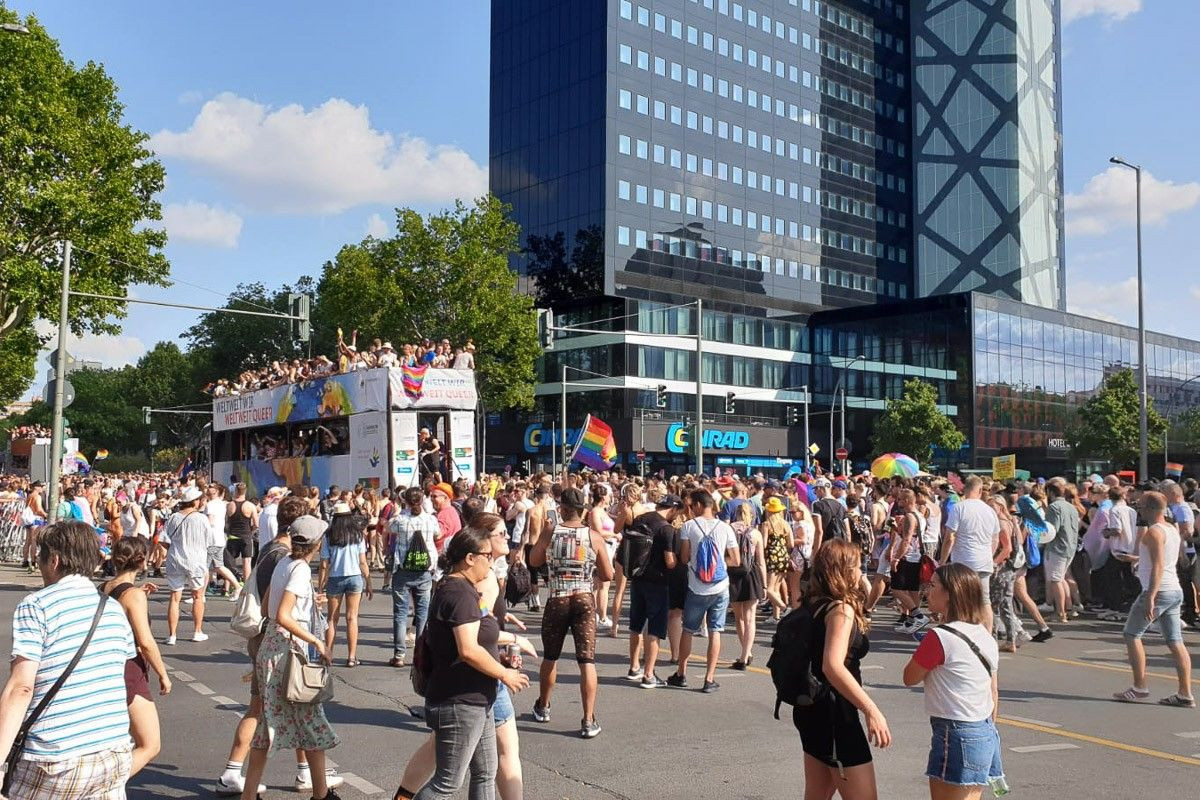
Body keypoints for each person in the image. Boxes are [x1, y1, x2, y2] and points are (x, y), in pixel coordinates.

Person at [391, 515, 537, 800]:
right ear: (470, 558)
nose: (490, 561)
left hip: (476, 697)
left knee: (485, 772)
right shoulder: (458, 592)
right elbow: (468, 649)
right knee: (447, 782)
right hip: (459, 700)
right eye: (486, 556)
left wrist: (503, 648)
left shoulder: (465, 588)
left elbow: (481, 632)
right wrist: (504, 673)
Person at [0, 521, 137, 799]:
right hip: (113, 749)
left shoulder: (37, 605)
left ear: (54, 560)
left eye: (40, 555)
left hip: (55, 756)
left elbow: (21, 688)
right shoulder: (112, 608)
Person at [240, 516, 341, 800]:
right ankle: (321, 794)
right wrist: (316, 641)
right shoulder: (300, 569)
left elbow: (267, 609)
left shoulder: (283, 562)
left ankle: (250, 794)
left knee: (268, 724)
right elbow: (285, 615)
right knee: (310, 718)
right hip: (288, 651)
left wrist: (304, 604)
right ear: (316, 544)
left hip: (270, 647)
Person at [792, 539, 891, 800]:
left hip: (812, 708)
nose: (860, 572)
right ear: (844, 571)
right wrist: (871, 710)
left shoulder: (813, 602)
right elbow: (832, 666)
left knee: (817, 794)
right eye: (857, 566)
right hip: (835, 712)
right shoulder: (840, 610)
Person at [903, 564, 1004, 799]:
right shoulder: (984, 635)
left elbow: (909, 677)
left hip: (954, 731)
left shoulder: (940, 636)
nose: (927, 591)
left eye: (933, 585)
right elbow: (993, 691)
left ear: (950, 593)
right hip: (984, 729)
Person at [529, 488, 614, 737]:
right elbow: (608, 574)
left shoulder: (551, 531)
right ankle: (588, 718)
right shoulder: (593, 536)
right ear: (582, 511)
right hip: (584, 598)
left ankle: (543, 706)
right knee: (587, 660)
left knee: (550, 656)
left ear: (562, 509)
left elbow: (534, 560)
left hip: (558, 597)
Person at [1112, 490, 1195, 707]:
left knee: (1131, 633)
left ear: (1150, 509)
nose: (1139, 510)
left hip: (1159, 590)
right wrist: (1137, 559)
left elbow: (1158, 566)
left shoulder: (1153, 533)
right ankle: (1185, 693)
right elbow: (1164, 560)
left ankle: (1139, 687)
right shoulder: (1171, 529)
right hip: (1173, 589)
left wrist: (1150, 595)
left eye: (1140, 506)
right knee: (1175, 640)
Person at [101, 537, 171, 776]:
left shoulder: (104, 587)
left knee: (115, 738)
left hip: (107, 665)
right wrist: (163, 674)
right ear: (142, 561)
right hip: (129, 669)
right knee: (149, 744)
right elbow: (146, 641)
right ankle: (107, 785)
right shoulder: (133, 596)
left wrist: (139, 595)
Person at [667, 489, 741, 693]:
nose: (690, 509)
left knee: (688, 629)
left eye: (692, 506)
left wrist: (698, 563)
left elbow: (684, 558)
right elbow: (736, 560)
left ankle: (681, 673)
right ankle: (709, 678)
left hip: (697, 587)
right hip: (720, 586)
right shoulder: (725, 528)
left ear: (699, 505)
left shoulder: (689, 526)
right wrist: (718, 564)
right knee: (716, 630)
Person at [623, 494, 682, 687]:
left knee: (636, 625)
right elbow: (669, 561)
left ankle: (634, 667)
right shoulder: (666, 529)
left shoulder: (641, 518)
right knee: (655, 628)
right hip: (657, 582)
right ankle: (649, 674)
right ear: (673, 509)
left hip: (637, 577)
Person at [388, 487, 440, 668]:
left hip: (403, 570)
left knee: (400, 613)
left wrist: (399, 510)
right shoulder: (430, 519)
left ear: (406, 502)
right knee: (422, 613)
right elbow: (438, 534)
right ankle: (420, 654)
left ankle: (399, 654)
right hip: (424, 570)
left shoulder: (401, 520)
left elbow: (388, 527)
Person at [940, 476, 999, 632]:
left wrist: (942, 561)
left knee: (959, 598)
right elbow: (995, 539)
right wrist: (989, 555)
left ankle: (960, 632)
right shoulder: (990, 511)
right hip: (983, 561)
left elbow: (949, 537)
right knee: (984, 600)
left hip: (963, 561)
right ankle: (987, 635)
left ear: (965, 489)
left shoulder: (959, 508)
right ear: (980, 490)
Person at [319, 504, 373, 667]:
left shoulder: (329, 535)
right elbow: (362, 562)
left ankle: (328, 655)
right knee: (352, 617)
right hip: (354, 577)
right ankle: (351, 657)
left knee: (332, 619)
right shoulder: (357, 535)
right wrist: (369, 582)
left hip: (335, 578)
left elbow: (324, 564)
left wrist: (320, 587)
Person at [163, 486, 213, 645]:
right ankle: (197, 631)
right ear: (195, 501)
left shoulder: (173, 517)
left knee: (174, 597)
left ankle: (172, 635)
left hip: (175, 559)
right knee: (198, 596)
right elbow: (209, 541)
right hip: (196, 560)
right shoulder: (202, 519)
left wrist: (173, 549)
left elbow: (163, 539)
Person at [729, 499, 768, 669]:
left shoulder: (730, 529)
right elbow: (761, 562)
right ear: (752, 516)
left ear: (736, 514)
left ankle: (746, 652)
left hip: (734, 574)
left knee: (739, 617)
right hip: (751, 574)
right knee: (750, 617)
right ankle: (745, 655)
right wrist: (764, 585)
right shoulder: (755, 534)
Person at [889, 488, 929, 634]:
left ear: (907, 501)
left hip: (908, 557)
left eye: (900, 499)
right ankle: (912, 620)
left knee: (896, 588)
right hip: (916, 556)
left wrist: (896, 558)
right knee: (912, 590)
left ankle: (918, 615)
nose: (898, 501)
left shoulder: (910, 517)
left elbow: (906, 540)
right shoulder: (920, 516)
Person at [761, 497, 793, 621]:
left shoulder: (766, 524)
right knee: (776, 588)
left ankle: (784, 608)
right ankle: (776, 616)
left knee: (769, 589)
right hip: (783, 556)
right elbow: (791, 544)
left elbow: (764, 544)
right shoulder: (785, 524)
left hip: (772, 556)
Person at [226, 483, 258, 583]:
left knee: (230, 562)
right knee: (247, 562)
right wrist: (250, 531)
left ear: (236, 491)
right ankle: (246, 585)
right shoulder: (250, 506)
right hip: (246, 536)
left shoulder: (230, 505)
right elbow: (256, 524)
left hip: (233, 536)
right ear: (245, 491)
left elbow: (226, 522)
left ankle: (229, 585)